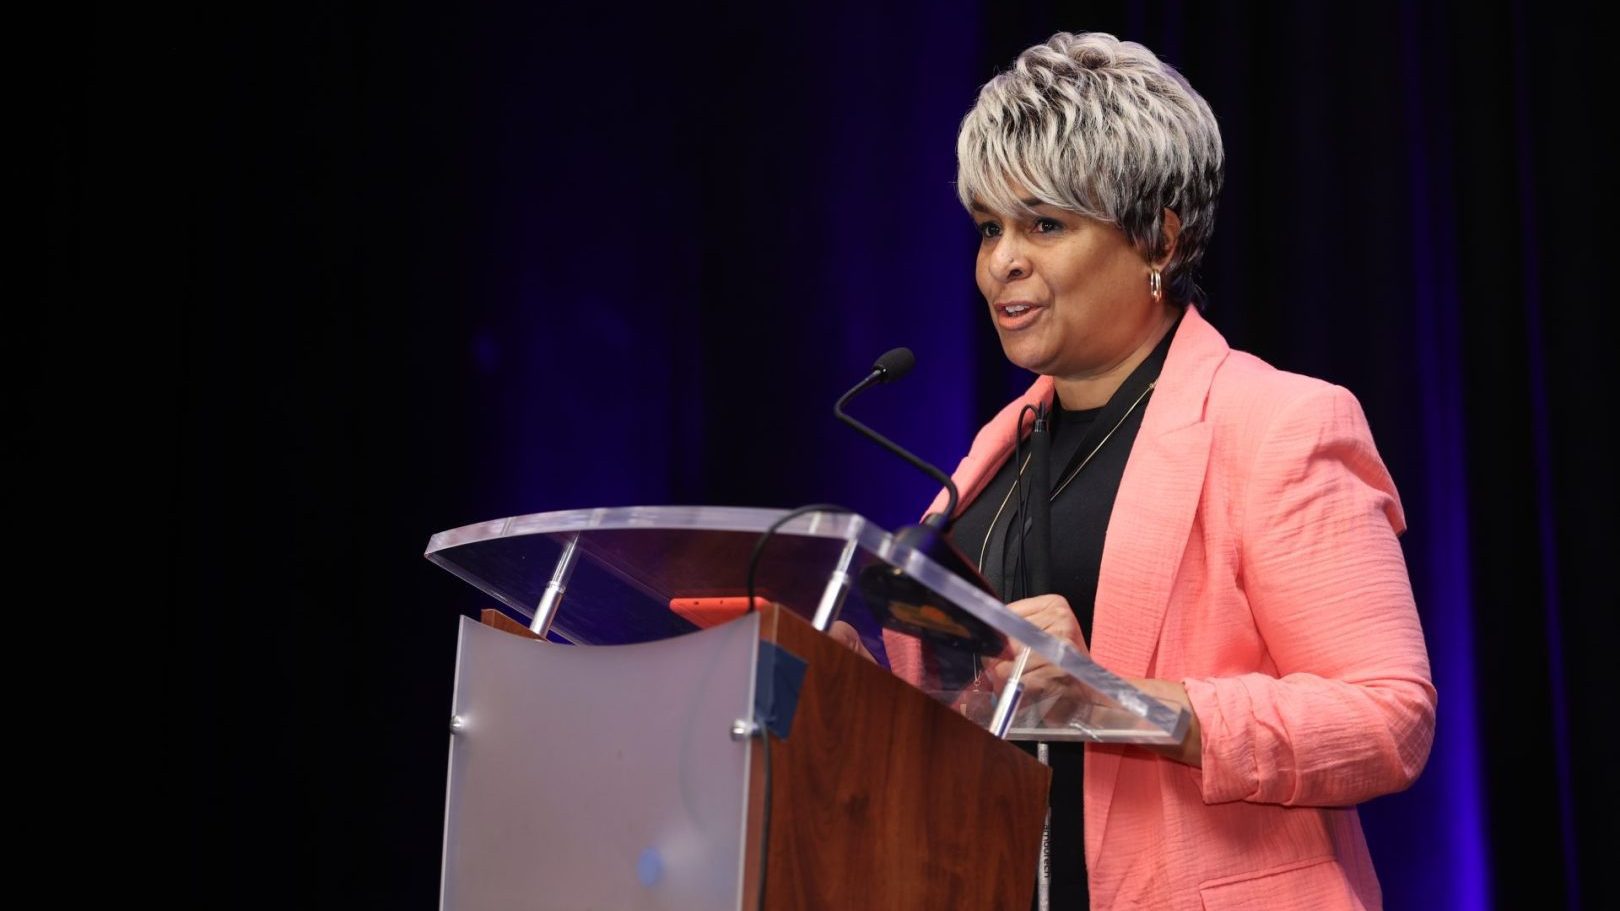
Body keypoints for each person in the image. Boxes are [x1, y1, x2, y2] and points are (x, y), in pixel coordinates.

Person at [859, 31, 1436, 910]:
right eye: (989, 228)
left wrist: (1130, 704)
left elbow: (1390, 718)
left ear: (1158, 238)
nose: (1000, 261)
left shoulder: (1279, 423)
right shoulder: (996, 451)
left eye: (1044, 224)